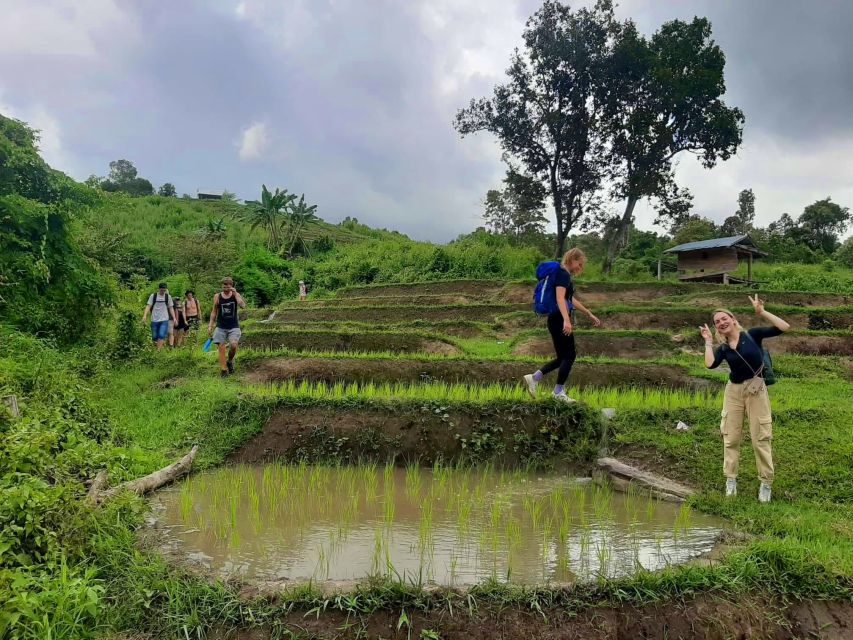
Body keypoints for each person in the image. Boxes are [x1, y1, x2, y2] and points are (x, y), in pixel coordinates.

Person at [700, 295, 790, 503]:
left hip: (756, 390)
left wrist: (762, 313)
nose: (721, 323)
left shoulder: (752, 335)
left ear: (733, 319)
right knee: (731, 437)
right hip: (733, 392)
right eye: (717, 322)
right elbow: (710, 365)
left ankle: (765, 483)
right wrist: (707, 343)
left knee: (761, 437)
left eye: (724, 318)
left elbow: (784, 327)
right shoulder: (723, 348)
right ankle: (730, 479)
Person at [522, 248, 601, 403]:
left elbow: (569, 299)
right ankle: (558, 392)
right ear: (572, 259)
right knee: (570, 355)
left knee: (562, 358)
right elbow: (559, 298)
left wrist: (588, 313)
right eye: (580, 263)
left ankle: (534, 377)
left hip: (555, 318)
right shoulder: (563, 274)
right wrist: (566, 319)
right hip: (559, 319)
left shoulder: (562, 274)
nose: (580, 268)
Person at [208, 277, 246, 377]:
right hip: (221, 326)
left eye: (228, 285)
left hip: (233, 325)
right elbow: (214, 311)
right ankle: (224, 370)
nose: (226, 287)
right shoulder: (217, 296)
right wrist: (210, 325)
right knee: (221, 347)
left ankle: (229, 361)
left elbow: (243, 306)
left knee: (233, 345)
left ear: (231, 286)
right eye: (224, 285)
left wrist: (236, 294)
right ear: (222, 286)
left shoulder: (235, 295)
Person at [142, 282, 176, 352]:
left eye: (164, 290)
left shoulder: (168, 297)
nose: (163, 291)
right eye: (161, 290)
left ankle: (158, 351)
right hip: (154, 319)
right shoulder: (153, 296)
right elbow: (148, 306)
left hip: (164, 319)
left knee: (161, 335)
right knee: (154, 337)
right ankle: (159, 347)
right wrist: (145, 315)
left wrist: (174, 317)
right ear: (159, 289)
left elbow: (171, 308)